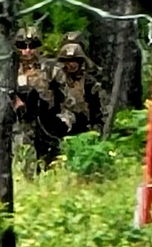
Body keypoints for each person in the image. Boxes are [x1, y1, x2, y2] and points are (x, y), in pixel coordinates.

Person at [12, 26, 72, 169]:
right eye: (22, 46)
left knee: (50, 165)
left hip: (47, 124)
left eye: (32, 45)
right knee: (21, 164)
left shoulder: (51, 69)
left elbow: (68, 96)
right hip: (18, 125)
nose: (27, 50)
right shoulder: (11, 69)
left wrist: (66, 119)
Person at [56, 41, 105, 135]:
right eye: (67, 61)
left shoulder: (89, 82)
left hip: (83, 126)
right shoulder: (56, 81)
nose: (71, 64)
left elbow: (97, 109)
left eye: (74, 60)